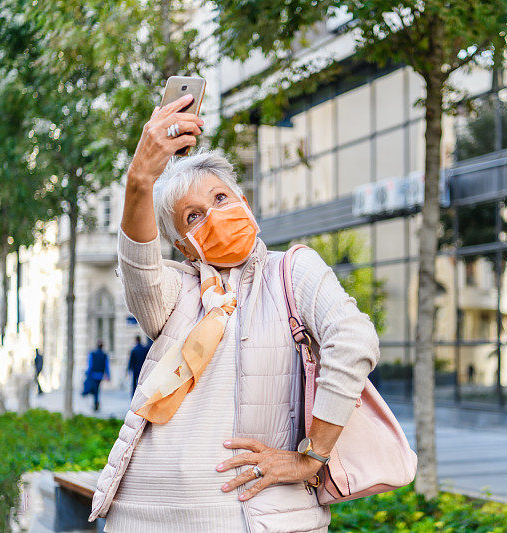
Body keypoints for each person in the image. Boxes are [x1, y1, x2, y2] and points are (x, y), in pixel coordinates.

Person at [88, 95, 380, 532]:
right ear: (184, 246)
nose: (215, 215)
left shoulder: (293, 270)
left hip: (253, 517)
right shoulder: (176, 290)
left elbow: (354, 341)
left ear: (245, 201)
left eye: (221, 198)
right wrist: (139, 179)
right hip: (145, 516)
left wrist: (312, 456)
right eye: (194, 215)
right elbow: (138, 267)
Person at [85, 341, 111, 412]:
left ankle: (96, 403)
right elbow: (107, 366)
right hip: (100, 375)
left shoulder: (92, 354)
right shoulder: (104, 355)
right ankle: (96, 403)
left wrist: (87, 373)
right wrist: (108, 376)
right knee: (97, 390)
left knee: (95, 390)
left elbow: (90, 365)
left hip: (93, 375)